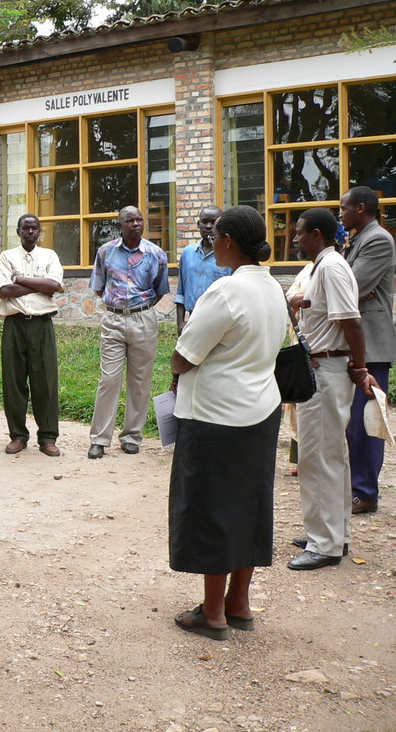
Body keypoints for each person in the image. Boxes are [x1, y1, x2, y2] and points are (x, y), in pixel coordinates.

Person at [168, 205, 288, 640]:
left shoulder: (225, 292)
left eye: (215, 235)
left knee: (211, 508)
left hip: (215, 417)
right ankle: (239, 602)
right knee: (249, 506)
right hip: (261, 413)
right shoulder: (275, 288)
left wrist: (180, 363)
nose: (211, 241)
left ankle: (212, 613)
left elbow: (184, 356)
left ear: (229, 242)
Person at [288, 207, 378, 571]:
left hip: (327, 370)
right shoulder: (323, 267)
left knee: (318, 458)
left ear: (317, 235)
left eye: (299, 233)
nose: (295, 238)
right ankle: (332, 535)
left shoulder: (330, 267)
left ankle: (324, 544)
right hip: (323, 368)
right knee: (331, 456)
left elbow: (352, 322)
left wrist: (360, 368)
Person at [87, 206, 169, 459]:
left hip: (143, 319)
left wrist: (139, 309)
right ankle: (100, 439)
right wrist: (118, 308)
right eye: (129, 220)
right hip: (113, 319)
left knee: (140, 381)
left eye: (139, 219)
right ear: (119, 225)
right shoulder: (105, 252)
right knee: (109, 380)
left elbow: (160, 290)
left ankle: (132, 436)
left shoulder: (156, 254)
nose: (136, 224)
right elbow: (99, 287)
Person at [340, 186, 396, 514]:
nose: (341, 213)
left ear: (361, 208)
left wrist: (352, 290)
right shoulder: (358, 237)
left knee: (366, 422)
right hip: (357, 342)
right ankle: (354, 487)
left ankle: (365, 492)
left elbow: (351, 286)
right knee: (352, 421)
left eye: (344, 208)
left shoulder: (378, 239)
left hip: (372, 345)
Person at [0, 214, 64, 458]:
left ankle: (47, 437)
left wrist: (21, 279)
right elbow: (4, 291)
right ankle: (18, 436)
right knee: (13, 382)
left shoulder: (49, 256)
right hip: (15, 324)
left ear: (39, 231)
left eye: (34, 228)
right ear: (18, 231)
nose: (30, 232)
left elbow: (55, 286)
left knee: (45, 381)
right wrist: (40, 284)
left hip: (42, 325)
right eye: (26, 228)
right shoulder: (7, 256)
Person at [174, 205, 228, 336]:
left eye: (213, 222)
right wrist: (180, 322)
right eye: (204, 222)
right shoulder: (188, 253)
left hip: (219, 321)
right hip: (192, 320)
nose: (208, 226)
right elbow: (181, 292)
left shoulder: (227, 255)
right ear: (198, 224)